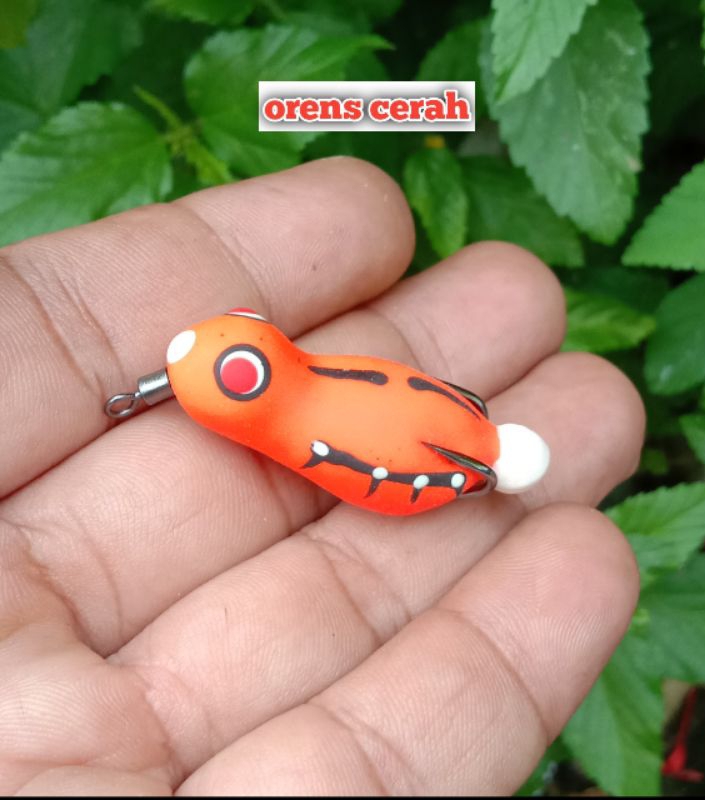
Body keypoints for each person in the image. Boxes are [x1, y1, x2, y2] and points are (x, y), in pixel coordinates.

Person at [0, 157, 644, 796]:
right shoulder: (314, 395)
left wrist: (467, 469)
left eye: (238, 369)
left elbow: (379, 445)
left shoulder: (323, 424)